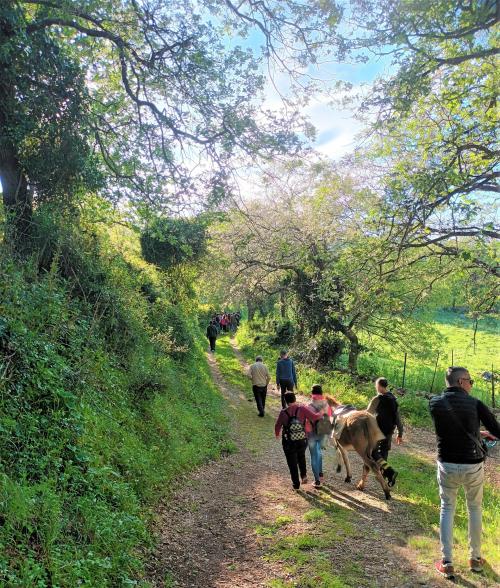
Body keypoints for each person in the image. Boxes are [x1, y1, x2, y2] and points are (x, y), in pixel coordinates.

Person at [429, 366, 500, 579]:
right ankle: (475, 559)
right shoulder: (475, 403)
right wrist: (484, 433)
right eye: (470, 381)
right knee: (474, 508)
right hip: (472, 464)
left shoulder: (434, 403)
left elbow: (450, 428)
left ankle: (447, 562)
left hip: (447, 464)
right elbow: (497, 431)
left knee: (447, 508)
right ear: (461, 382)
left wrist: (477, 431)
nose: (471, 385)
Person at [275, 392, 321, 490]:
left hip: (289, 442)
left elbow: (277, 426)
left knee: (292, 463)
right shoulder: (302, 409)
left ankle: (296, 484)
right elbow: (314, 417)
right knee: (301, 456)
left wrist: (277, 434)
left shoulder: (283, 412)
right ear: (295, 399)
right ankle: (303, 476)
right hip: (302, 439)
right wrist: (322, 413)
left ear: (286, 401)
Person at [366, 377, 402, 486]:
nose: (376, 388)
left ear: (381, 386)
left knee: (372, 452)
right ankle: (386, 475)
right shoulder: (393, 399)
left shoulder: (378, 399)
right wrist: (400, 433)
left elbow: (367, 413)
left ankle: (390, 471)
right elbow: (397, 417)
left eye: (377, 386)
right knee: (384, 452)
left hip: (378, 431)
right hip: (389, 431)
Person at [306, 384, 333, 488]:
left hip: (312, 433)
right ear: (321, 393)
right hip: (323, 432)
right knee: (319, 453)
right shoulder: (326, 404)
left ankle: (317, 481)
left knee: (314, 456)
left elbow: (307, 420)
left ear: (312, 393)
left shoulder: (309, 406)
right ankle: (321, 475)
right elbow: (329, 417)